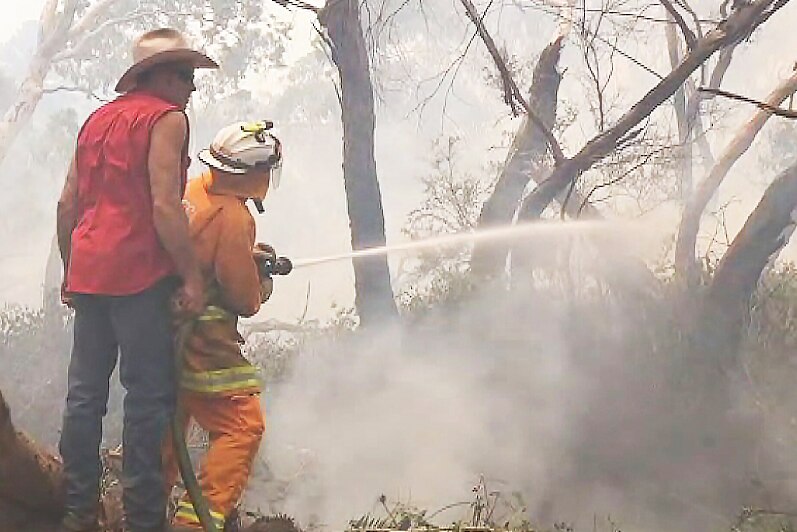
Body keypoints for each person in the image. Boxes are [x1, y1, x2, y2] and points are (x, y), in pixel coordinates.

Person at [56, 28, 218, 532]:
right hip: (140, 275)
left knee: (84, 396)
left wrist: (70, 271)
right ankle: (143, 519)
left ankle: (77, 509)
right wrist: (191, 277)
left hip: (90, 272)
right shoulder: (168, 119)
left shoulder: (96, 119)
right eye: (185, 76)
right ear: (160, 76)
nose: (192, 87)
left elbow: (66, 203)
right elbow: (165, 205)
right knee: (148, 398)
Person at [161, 121, 282, 531]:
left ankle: (141, 508)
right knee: (243, 424)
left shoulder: (194, 191)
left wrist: (248, 256)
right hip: (204, 342)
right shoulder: (233, 218)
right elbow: (243, 298)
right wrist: (260, 283)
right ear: (251, 173)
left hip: (166, 331)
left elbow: (206, 255)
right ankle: (197, 523)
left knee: (168, 421)